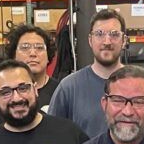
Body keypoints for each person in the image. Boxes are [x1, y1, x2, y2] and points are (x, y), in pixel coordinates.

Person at [48, 7, 126, 137]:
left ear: (124, 40)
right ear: (90, 40)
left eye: (114, 34)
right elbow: (53, 136)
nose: (107, 41)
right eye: (99, 34)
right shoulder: (69, 87)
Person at [0, 23, 59, 135]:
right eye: (25, 48)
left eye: (39, 48)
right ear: (13, 55)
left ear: (48, 56)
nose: (33, 53)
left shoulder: (60, 91)